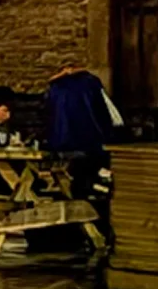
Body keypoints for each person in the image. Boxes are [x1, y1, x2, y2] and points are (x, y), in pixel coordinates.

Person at [42, 61, 120, 202]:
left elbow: (48, 117)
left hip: (59, 144)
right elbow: (111, 116)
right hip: (89, 143)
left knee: (70, 178)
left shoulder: (54, 88)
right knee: (91, 177)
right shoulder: (91, 84)